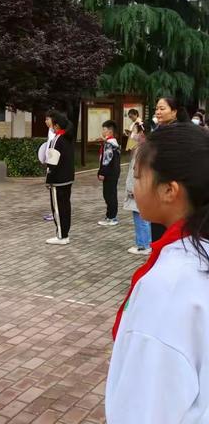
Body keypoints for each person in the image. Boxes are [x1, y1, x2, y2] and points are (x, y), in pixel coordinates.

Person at [106, 123, 209, 424]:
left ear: (169, 190)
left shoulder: (167, 289)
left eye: (138, 177)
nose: (134, 187)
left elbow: (144, 409)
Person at [151, 97, 190, 241]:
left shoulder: (178, 134)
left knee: (169, 235)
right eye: (157, 109)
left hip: (172, 190)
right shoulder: (159, 131)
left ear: (174, 112)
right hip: (158, 189)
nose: (158, 112)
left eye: (162, 108)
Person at [44, 110, 75, 245]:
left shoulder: (57, 139)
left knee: (58, 208)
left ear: (56, 125)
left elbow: (52, 163)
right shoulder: (68, 137)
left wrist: (48, 180)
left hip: (58, 180)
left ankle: (61, 236)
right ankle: (65, 233)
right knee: (65, 207)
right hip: (68, 177)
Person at [123, 122, 151, 255]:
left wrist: (132, 189)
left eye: (137, 131)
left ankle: (143, 245)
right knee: (143, 217)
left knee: (140, 217)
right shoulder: (144, 148)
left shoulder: (143, 150)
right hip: (143, 188)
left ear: (143, 133)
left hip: (139, 189)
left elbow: (137, 173)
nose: (134, 134)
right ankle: (145, 243)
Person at [97, 120, 121, 226]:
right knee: (110, 194)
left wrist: (102, 172)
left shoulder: (109, 144)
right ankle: (110, 216)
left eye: (104, 129)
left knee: (109, 194)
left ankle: (112, 217)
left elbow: (107, 159)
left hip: (110, 173)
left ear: (110, 131)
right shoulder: (113, 142)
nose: (102, 131)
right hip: (114, 172)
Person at [42, 113, 56, 222]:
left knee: (53, 189)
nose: (46, 121)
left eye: (47, 119)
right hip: (49, 164)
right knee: (51, 189)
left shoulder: (54, 132)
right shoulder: (50, 131)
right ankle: (54, 211)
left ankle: (55, 213)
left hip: (52, 165)